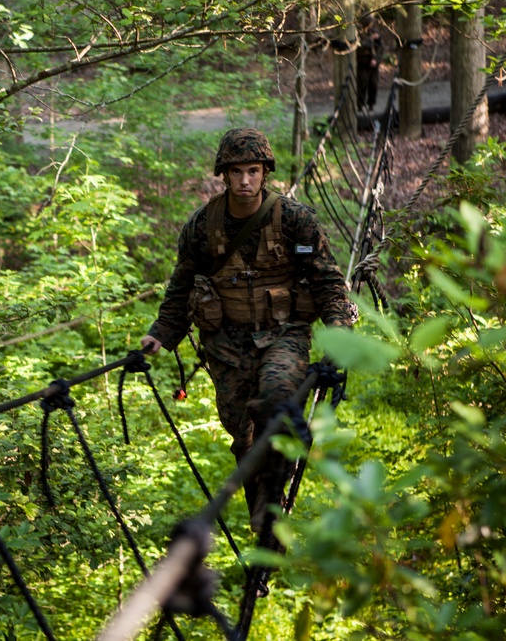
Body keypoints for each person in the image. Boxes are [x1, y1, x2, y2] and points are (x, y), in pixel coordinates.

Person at [140, 128, 356, 541]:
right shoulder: (202, 227)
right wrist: (160, 336)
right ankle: (264, 519)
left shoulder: (295, 221)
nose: (244, 181)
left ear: (265, 173)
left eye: (252, 171)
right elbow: (182, 288)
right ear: (223, 174)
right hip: (226, 345)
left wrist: (340, 332)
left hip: (285, 335)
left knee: (277, 404)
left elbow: (328, 282)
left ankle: (271, 511)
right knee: (244, 437)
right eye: (236, 172)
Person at [355, 16, 383, 111]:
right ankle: (360, 104)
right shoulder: (358, 33)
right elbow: (359, 46)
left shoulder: (374, 31)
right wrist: (370, 39)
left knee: (373, 84)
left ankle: (371, 104)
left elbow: (380, 48)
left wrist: (376, 59)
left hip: (373, 64)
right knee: (362, 84)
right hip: (362, 63)